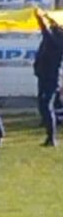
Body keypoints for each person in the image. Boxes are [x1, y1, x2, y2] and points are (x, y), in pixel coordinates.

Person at [34, 9, 63, 147]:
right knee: (43, 105)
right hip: (44, 76)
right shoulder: (53, 39)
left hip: (51, 78)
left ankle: (52, 138)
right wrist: (48, 17)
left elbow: (45, 30)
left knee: (46, 106)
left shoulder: (57, 41)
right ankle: (49, 136)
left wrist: (40, 18)